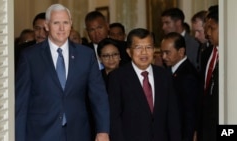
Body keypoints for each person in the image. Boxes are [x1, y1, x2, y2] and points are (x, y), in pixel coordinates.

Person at [15, 4, 110, 141]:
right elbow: (21, 103)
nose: (61, 28)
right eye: (56, 23)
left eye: (65, 22)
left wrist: (103, 131)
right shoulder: (30, 57)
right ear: (47, 26)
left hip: (78, 133)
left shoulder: (86, 55)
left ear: (71, 24)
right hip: (41, 134)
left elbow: (99, 96)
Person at [108, 28, 181, 141]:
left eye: (148, 47)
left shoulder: (164, 76)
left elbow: (172, 116)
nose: (144, 52)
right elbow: (114, 119)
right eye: (138, 48)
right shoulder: (117, 78)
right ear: (129, 52)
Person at [161, 32, 199, 141]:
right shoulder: (169, 70)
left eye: (167, 53)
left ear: (181, 52)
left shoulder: (188, 75)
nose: (163, 57)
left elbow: (189, 113)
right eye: (162, 53)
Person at [197, 5, 219, 141]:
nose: (207, 33)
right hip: (206, 126)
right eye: (207, 28)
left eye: (212, 28)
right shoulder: (206, 54)